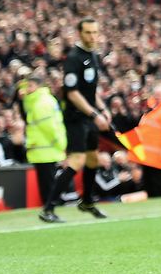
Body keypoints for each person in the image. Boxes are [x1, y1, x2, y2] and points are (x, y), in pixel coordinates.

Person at [39, 19, 110, 223]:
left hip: (89, 116)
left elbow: (91, 90)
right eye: (88, 32)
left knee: (93, 159)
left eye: (95, 32)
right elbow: (72, 93)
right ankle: (48, 208)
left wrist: (103, 109)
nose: (92, 36)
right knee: (77, 160)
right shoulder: (73, 58)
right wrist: (94, 115)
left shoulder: (93, 56)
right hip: (76, 118)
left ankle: (87, 201)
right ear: (80, 33)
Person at [18, 71, 67, 205]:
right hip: (44, 149)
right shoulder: (38, 100)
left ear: (38, 86)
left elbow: (50, 127)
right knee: (47, 184)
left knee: (48, 185)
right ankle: (49, 208)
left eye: (30, 86)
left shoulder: (41, 103)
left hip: (47, 148)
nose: (27, 89)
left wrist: (61, 144)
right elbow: (26, 104)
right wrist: (23, 87)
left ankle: (50, 209)